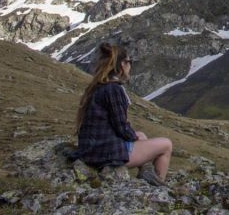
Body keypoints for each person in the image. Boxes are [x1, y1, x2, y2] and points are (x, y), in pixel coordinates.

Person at [72, 42, 173, 186]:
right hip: (104, 154)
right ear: (122, 65)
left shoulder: (98, 86)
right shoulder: (114, 89)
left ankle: (147, 173)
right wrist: (132, 137)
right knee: (166, 145)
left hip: (92, 149)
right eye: (130, 62)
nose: (131, 66)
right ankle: (159, 186)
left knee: (142, 136)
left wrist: (135, 137)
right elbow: (121, 126)